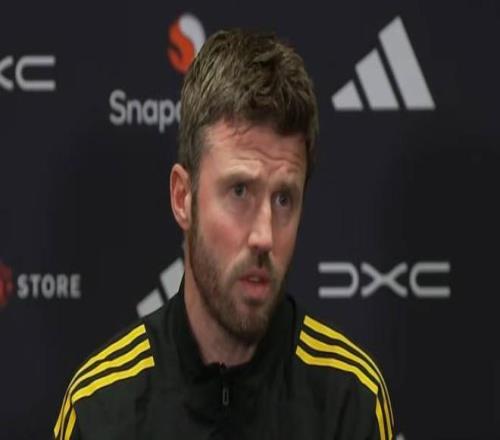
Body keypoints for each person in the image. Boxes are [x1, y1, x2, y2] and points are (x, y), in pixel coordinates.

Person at [54, 29, 394, 440]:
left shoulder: (351, 399)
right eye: (239, 192)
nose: (264, 236)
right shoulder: (100, 408)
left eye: (284, 198)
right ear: (183, 198)